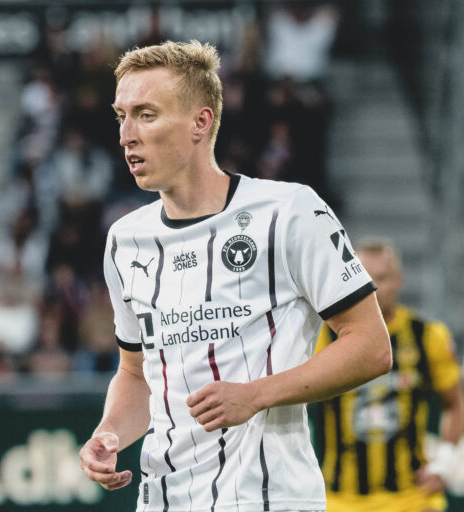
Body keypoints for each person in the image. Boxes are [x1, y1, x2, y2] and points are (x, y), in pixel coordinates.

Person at [78, 40, 392, 511]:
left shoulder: (288, 210)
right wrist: (109, 433)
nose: (126, 134)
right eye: (121, 115)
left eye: (146, 114)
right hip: (163, 500)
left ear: (201, 122)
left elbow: (370, 345)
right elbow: (135, 373)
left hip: (268, 498)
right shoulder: (125, 239)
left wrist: (256, 395)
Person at [315, 238, 464, 512]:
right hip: (338, 499)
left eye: (381, 278)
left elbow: (455, 404)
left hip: (411, 498)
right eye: (361, 277)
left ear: (399, 280)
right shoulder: (320, 337)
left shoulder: (428, 336)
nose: (370, 289)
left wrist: (443, 463)